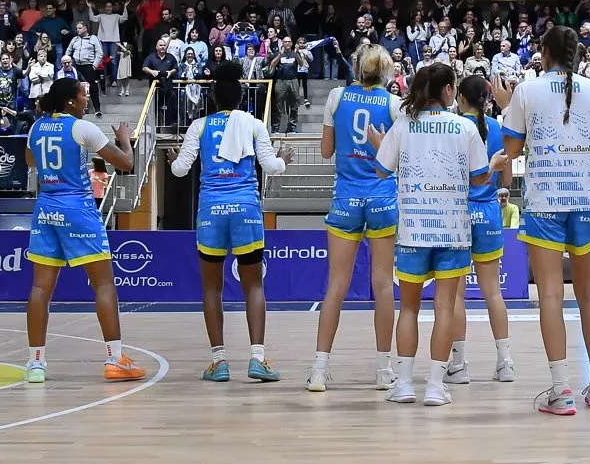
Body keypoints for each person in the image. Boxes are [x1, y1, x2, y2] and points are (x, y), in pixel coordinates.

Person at [495, 24, 590, 416]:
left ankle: (561, 390)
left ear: (544, 52)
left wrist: (504, 108)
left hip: (545, 199)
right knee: (589, 294)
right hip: (587, 199)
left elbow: (510, 150)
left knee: (549, 294)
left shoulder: (526, 91)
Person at [369, 64, 489, 406]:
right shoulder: (464, 126)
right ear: (449, 91)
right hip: (452, 231)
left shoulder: (404, 123)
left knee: (408, 308)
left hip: (413, 231)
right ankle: (436, 386)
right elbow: (480, 177)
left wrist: (381, 143)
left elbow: (380, 170)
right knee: (445, 308)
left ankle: (405, 383)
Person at [171, 62, 291, 384]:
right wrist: (284, 160)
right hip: (246, 209)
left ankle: (219, 362)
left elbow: (180, 170)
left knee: (212, 288)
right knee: (253, 285)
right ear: (241, 98)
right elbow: (271, 165)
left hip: (211, 210)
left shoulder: (199, 126)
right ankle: (257, 359)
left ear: (212, 98)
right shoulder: (253, 125)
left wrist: (172, 162)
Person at [23, 77, 142, 385]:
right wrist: (125, 137)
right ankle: (115, 359)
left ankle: (36, 363)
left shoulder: (36, 127)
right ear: (70, 102)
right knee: (102, 284)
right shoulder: (82, 128)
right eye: (83, 95)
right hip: (77, 210)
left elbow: (30, 161)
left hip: (46, 209)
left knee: (40, 289)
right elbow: (126, 163)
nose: (87, 100)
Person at [308, 45, 402, 393]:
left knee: (336, 285)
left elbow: (326, 151)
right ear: (386, 71)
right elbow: (397, 157)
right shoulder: (394, 105)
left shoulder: (336, 96)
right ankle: (382, 370)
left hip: (346, 197)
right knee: (382, 286)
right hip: (381, 196)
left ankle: (319, 369)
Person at [439, 75, 516, 385]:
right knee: (493, 293)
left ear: (461, 98)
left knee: (456, 295)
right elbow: (507, 181)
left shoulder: (453, 126)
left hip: (458, 212)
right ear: (488, 98)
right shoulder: (497, 128)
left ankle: (458, 365)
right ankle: (505, 362)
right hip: (488, 212)